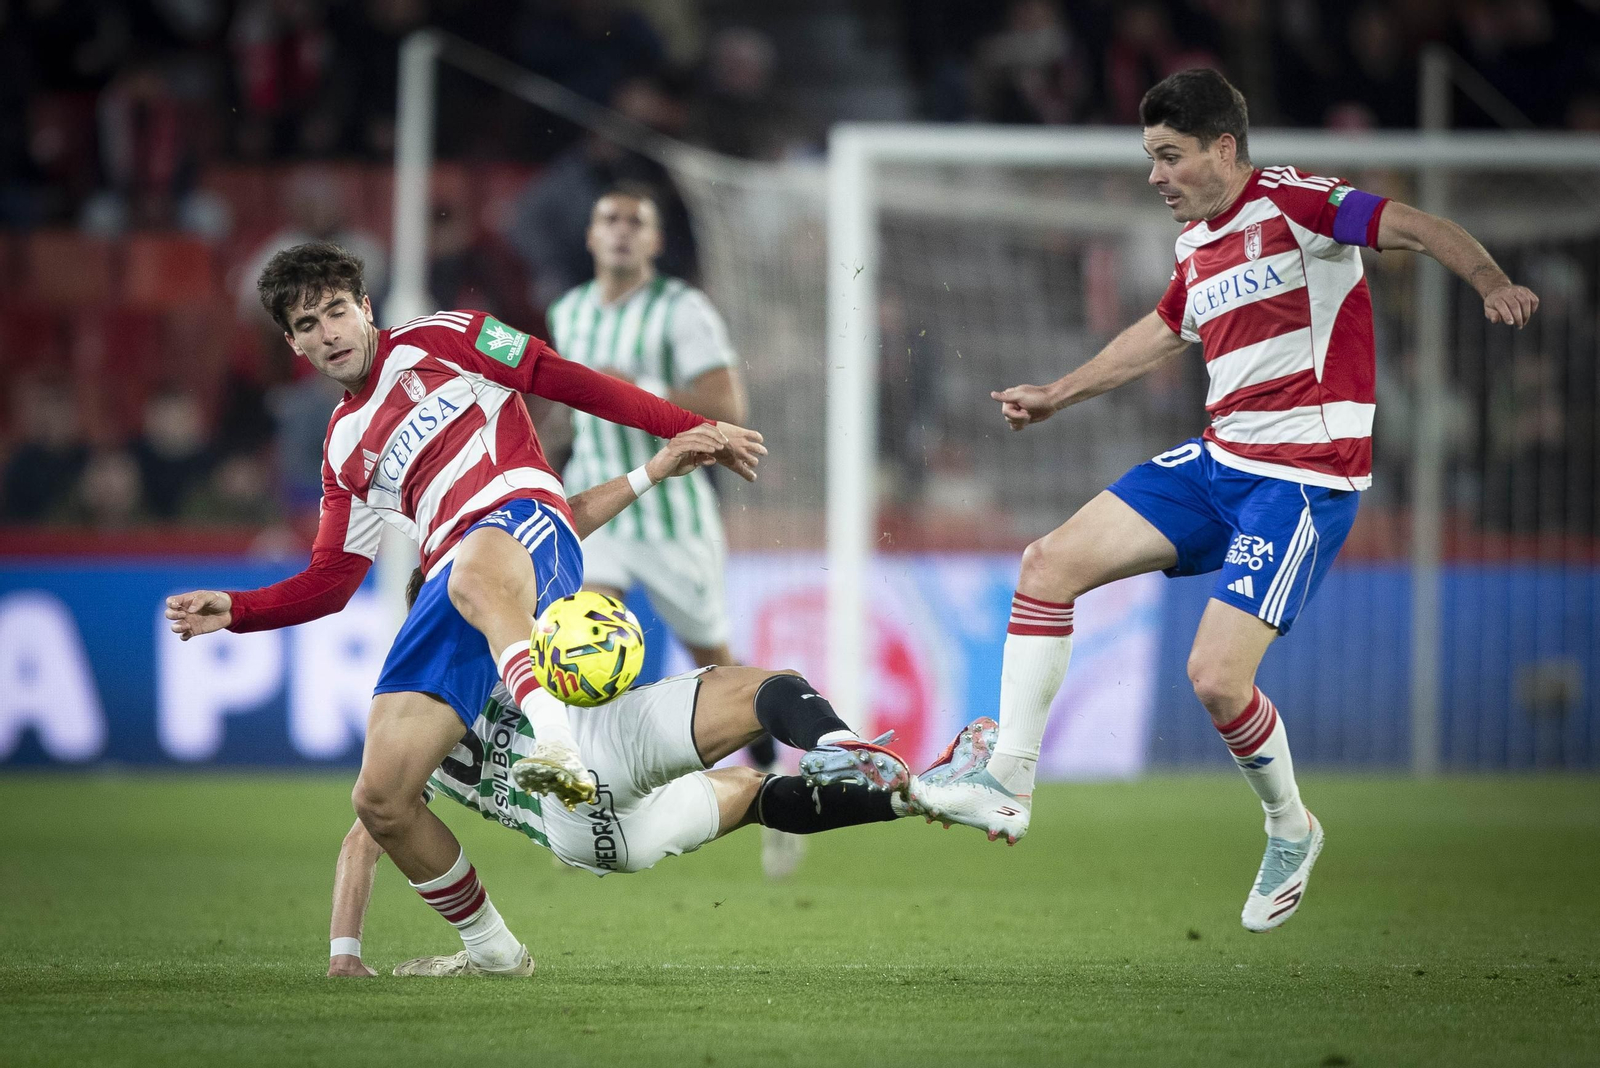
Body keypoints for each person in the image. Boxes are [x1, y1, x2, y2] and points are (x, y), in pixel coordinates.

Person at [906, 68, 1540, 932]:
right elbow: (1164, 332)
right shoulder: (1198, 244)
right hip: (1220, 462)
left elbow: (1417, 226)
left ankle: (1291, 826)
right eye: (1149, 158)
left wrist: (1490, 279)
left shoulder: (1299, 205)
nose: (1155, 176)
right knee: (1047, 565)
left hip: (1303, 481)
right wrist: (1060, 392)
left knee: (1214, 678)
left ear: (1224, 149)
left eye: (1170, 156)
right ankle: (1009, 778)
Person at [165, 241, 766, 977]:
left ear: (365, 308)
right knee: (381, 797)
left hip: (527, 526)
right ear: (291, 343)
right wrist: (242, 607)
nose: (328, 333)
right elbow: (331, 580)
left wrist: (681, 427)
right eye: (307, 325)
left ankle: (556, 744)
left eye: (336, 312)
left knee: (474, 571)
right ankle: (496, 955)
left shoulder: (448, 336)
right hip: (451, 577)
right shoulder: (342, 451)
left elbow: (559, 377)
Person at [328, 447, 940, 978]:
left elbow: (369, 832)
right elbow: (561, 530)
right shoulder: (496, 645)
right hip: (602, 751)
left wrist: (344, 951)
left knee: (752, 794)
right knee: (766, 696)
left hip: (593, 843)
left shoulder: (410, 733)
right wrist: (648, 474)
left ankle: (920, 795)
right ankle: (852, 751)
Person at [546, 185, 806, 879]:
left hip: (675, 519)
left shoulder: (682, 310)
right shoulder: (568, 311)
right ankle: (586, 802)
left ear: (656, 243)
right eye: (610, 218)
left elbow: (727, 405)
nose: (623, 231)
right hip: (607, 509)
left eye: (638, 222)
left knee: (721, 668)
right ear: (591, 235)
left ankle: (771, 790)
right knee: (580, 648)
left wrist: (637, 384)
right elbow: (567, 414)